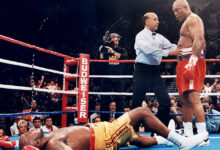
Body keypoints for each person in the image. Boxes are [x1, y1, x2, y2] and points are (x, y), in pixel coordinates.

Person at [19, 106, 208, 150]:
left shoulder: (51, 134)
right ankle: (180, 142)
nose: (30, 129)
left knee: (135, 138)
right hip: (105, 137)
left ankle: (163, 139)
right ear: (33, 144)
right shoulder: (53, 145)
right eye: (29, 134)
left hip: (102, 130)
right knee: (142, 111)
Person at [132, 12, 182, 126]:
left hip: (155, 71)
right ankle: (131, 133)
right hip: (142, 71)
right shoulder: (140, 36)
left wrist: (185, 49)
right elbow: (148, 51)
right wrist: (169, 52)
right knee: (136, 102)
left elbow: (172, 46)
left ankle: (159, 131)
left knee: (165, 101)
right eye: (155, 19)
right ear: (147, 21)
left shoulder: (160, 37)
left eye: (157, 19)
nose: (158, 21)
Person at [172, 0, 209, 146]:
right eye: (173, 11)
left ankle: (203, 136)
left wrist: (192, 62)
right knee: (184, 100)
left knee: (193, 98)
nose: (175, 14)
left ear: (185, 7)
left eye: (177, 10)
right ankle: (188, 134)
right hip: (183, 62)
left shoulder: (194, 19)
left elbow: (199, 39)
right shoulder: (187, 21)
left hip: (191, 61)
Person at [98, 32, 128, 113]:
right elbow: (100, 63)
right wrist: (101, 52)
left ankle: (120, 120)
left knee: (119, 99)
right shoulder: (106, 49)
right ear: (111, 40)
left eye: (117, 41)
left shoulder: (122, 50)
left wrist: (113, 52)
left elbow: (125, 58)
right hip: (107, 76)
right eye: (114, 40)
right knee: (104, 98)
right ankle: (104, 120)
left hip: (118, 77)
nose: (116, 42)